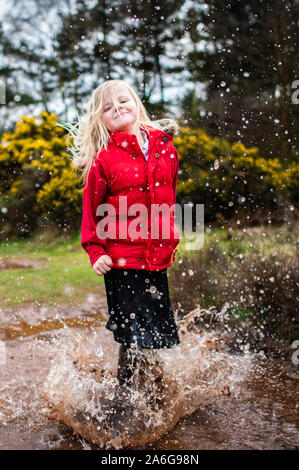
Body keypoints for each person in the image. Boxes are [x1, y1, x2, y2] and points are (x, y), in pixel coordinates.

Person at [67, 79, 181, 389]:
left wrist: (168, 234)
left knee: (156, 336)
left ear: (136, 104)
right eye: (107, 107)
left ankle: (154, 396)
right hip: (120, 263)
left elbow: (168, 195)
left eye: (123, 101)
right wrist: (96, 251)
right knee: (133, 337)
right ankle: (125, 398)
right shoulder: (103, 159)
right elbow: (91, 213)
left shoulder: (165, 148)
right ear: (99, 118)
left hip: (155, 260)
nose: (117, 108)